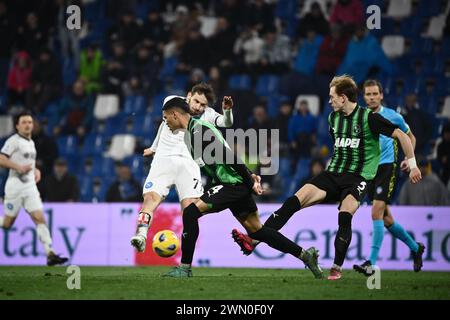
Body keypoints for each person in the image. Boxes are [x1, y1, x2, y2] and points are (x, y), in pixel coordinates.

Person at [231, 75, 422, 280]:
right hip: (333, 174)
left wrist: (412, 165)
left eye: (332, 97)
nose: (329, 101)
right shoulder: (333, 118)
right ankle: (254, 241)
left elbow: (402, 136)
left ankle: (336, 268)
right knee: (292, 202)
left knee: (345, 216)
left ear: (343, 97)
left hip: (357, 178)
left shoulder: (370, 118)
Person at [160, 97, 323, 279]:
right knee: (258, 231)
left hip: (232, 184)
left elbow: (229, 156)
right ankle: (305, 255)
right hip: (232, 184)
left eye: (166, 118)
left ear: (175, 114)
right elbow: (216, 164)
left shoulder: (199, 131)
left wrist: (249, 180)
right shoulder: (192, 133)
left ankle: (184, 268)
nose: (165, 122)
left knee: (190, 213)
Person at [130, 83, 234, 252]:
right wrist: (154, 148)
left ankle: (185, 256)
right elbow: (163, 124)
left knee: (190, 210)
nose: (198, 107)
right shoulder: (173, 101)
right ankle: (141, 235)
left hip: (189, 163)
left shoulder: (207, 115)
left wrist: (227, 111)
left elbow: (226, 123)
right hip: (164, 159)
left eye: (203, 105)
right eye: (196, 101)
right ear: (188, 96)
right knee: (150, 198)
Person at [353, 80, 425, 276]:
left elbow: (411, 138)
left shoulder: (393, 116)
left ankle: (371, 263)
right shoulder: (360, 117)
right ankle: (415, 248)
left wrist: (409, 162)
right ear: (363, 97)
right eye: (368, 94)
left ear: (381, 95)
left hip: (387, 168)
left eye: (375, 93)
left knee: (376, 212)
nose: (372, 97)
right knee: (386, 219)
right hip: (369, 170)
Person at [0, 111, 68, 266]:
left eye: (30, 122)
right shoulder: (13, 141)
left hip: (30, 187)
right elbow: (1, 158)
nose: (27, 125)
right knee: (7, 224)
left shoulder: (31, 143)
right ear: (17, 126)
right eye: (23, 122)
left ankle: (50, 253)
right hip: (15, 188)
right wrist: (18, 167)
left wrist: (35, 171)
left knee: (40, 218)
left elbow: (29, 163)